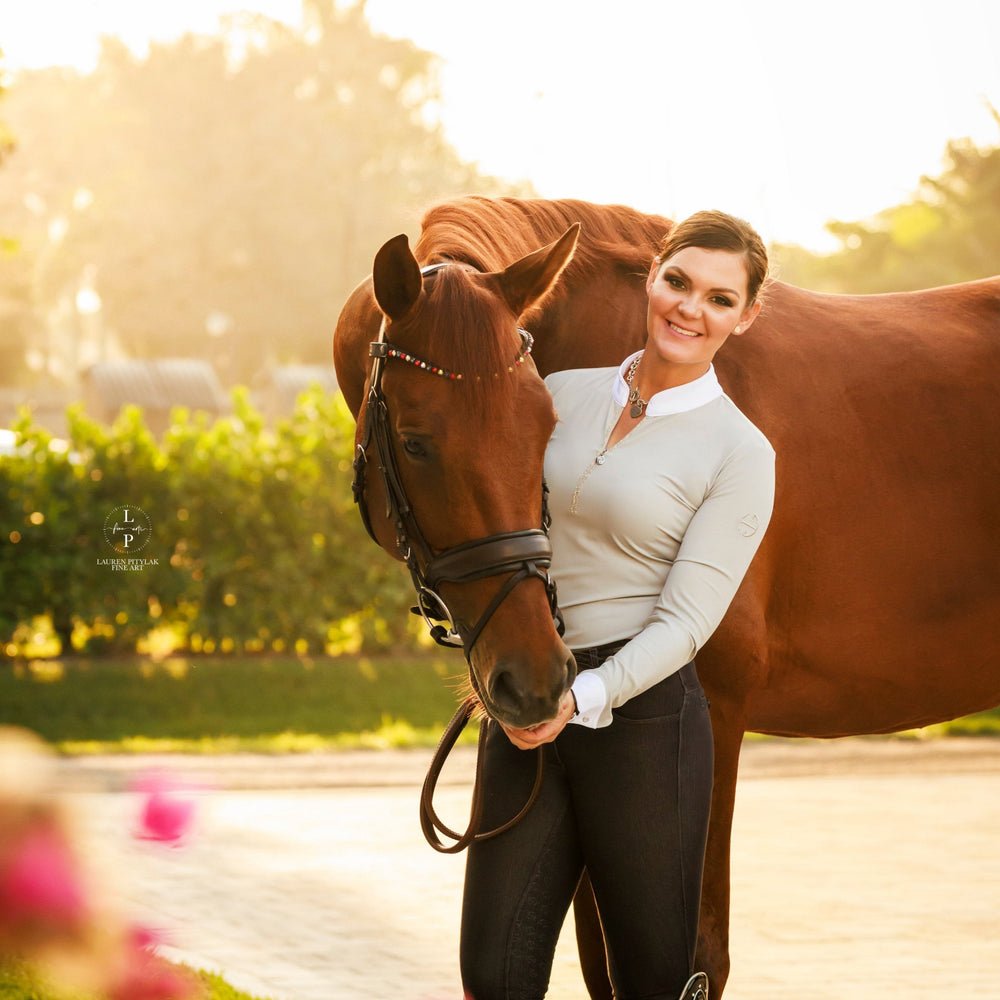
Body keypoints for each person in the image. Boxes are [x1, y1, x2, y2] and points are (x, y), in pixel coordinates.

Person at [459, 210, 776, 1000]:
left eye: (719, 298)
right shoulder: (556, 394)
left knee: (651, 983)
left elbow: (688, 622)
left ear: (746, 316)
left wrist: (586, 696)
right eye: (678, 282)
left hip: (643, 727)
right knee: (491, 977)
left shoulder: (741, 452)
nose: (689, 309)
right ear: (651, 278)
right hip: (528, 700)